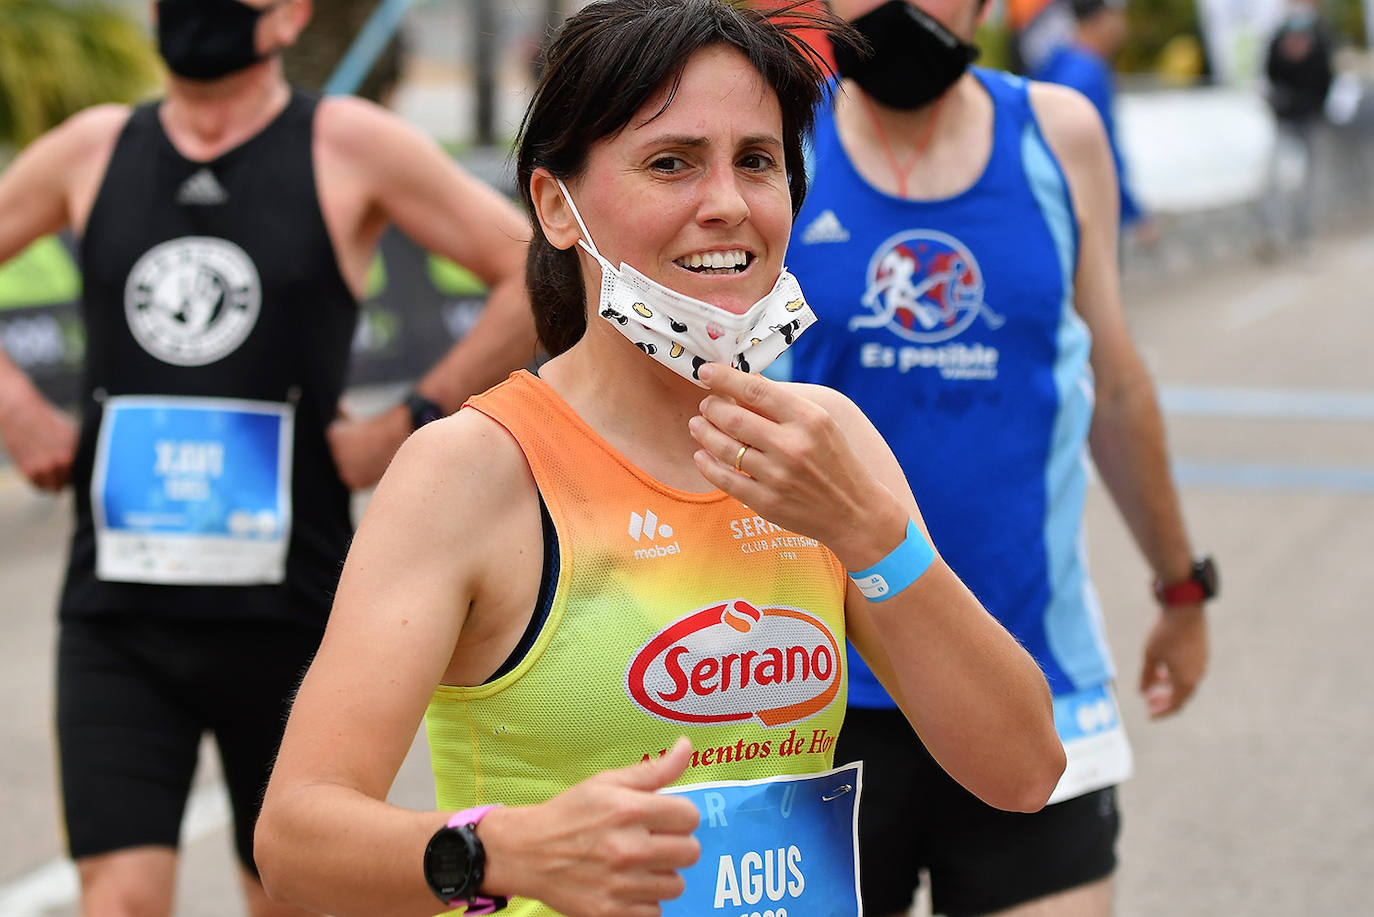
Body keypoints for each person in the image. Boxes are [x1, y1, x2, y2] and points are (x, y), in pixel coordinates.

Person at [253, 2, 1066, 915]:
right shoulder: (475, 468)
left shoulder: (823, 442)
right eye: (671, 162)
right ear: (557, 206)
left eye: (757, 161)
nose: (726, 202)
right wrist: (502, 850)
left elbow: (1025, 768)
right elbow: (294, 837)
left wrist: (872, 533)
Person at [0, 0, 536, 913]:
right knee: (118, 897)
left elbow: (530, 270)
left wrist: (408, 415)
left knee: (290, 895)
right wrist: (16, 407)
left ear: (290, 15)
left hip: (292, 609)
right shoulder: (93, 148)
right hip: (119, 612)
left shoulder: (350, 144)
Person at [772, 1, 1216, 915]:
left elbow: (1116, 383)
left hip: (1029, 675)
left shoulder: (1059, 135)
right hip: (813, 693)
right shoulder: (774, 133)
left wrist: (1180, 586)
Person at [1031, 0, 1158, 246]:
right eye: (1119, 16)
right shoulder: (1088, 74)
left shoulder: (1053, 62)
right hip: (1088, 212)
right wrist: (1133, 211)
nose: (1124, 27)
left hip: (1052, 208)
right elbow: (1103, 152)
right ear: (1104, 18)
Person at [1261, 0, 1334, 255]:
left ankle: (1305, 234)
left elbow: (1325, 80)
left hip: (1312, 119)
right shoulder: (1277, 37)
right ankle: (1275, 234)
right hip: (1285, 120)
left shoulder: (1321, 37)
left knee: (1313, 180)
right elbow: (1271, 74)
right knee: (1276, 178)